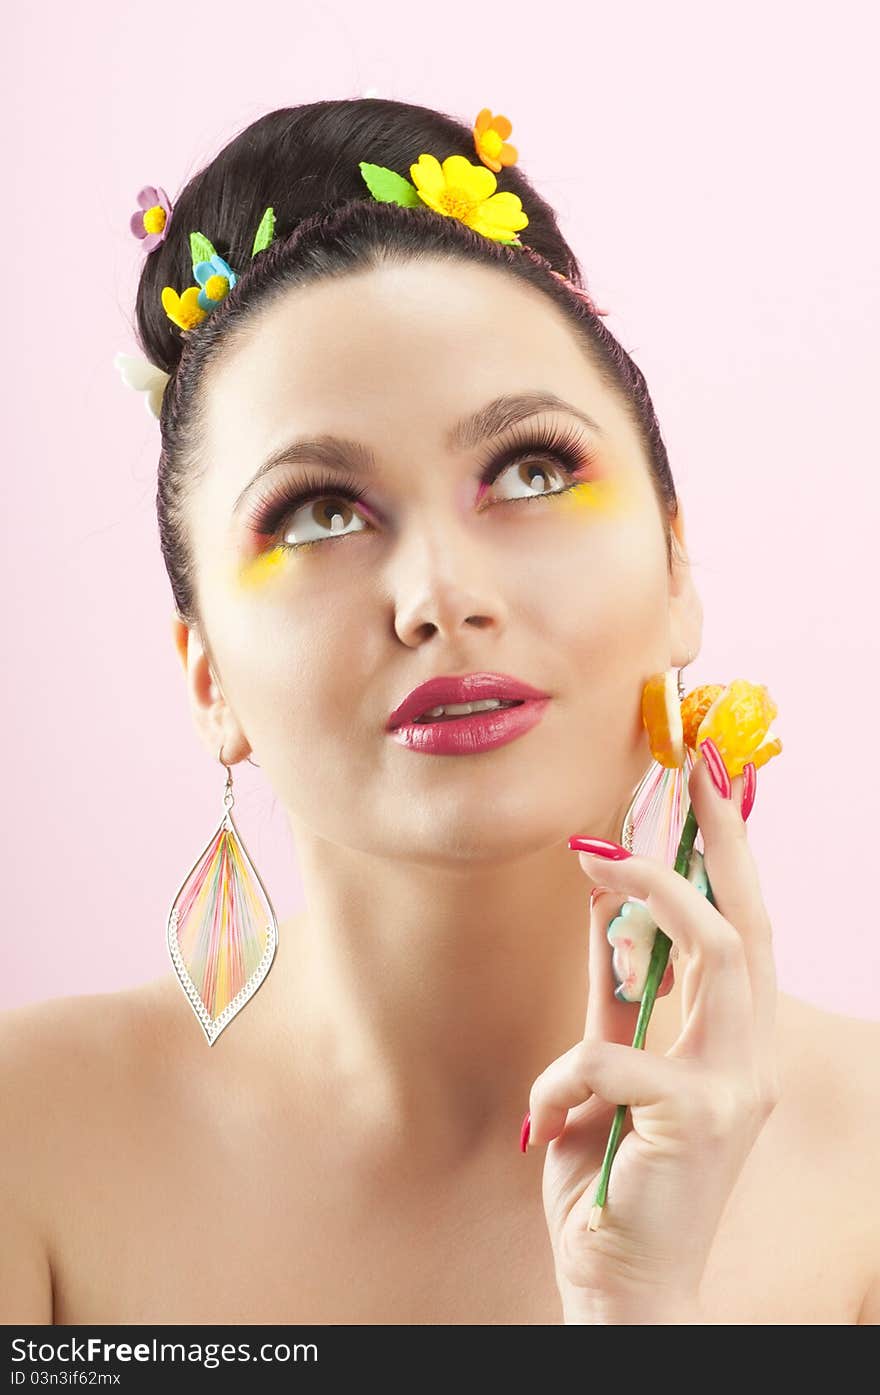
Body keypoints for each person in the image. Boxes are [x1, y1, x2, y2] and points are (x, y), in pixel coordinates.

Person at [2, 97, 878, 1326]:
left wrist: (639, 1311)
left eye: (529, 470)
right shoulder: (30, 1154)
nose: (441, 598)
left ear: (676, 570)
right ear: (206, 675)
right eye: (318, 510)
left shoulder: (866, 1199)